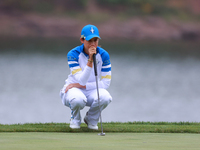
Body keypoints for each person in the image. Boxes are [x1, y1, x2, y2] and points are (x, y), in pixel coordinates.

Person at [59, 24, 112, 130]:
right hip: (72, 90)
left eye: (95, 40)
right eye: (89, 41)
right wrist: (91, 59)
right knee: (78, 100)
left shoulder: (104, 55)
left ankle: (91, 119)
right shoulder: (73, 54)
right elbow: (82, 80)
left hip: (87, 89)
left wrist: (79, 85)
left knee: (106, 97)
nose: (93, 44)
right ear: (82, 40)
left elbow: (105, 83)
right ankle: (75, 119)